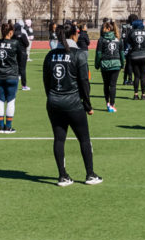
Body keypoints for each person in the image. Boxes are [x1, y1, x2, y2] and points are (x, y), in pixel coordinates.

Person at [43, 22, 101, 186]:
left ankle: (62, 176)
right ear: (75, 34)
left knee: (59, 139)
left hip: (54, 102)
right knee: (84, 139)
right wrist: (88, 105)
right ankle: (90, 174)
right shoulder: (79, 54)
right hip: (73, 103)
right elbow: (84, 82)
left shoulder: (50, 55)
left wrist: (52, 98)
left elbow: (46, 82)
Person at [0, 22, 22, 132]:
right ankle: (8, 127)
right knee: (10, 101)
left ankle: (1, 127)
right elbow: (20, 58)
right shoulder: (15, 43)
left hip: (0, 75)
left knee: (1, 100)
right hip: (12, 75)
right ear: (11, 32)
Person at [94, 20, 124, 112]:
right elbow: (121, 54)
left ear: (106, 29)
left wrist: (97, 64)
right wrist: (122, 64)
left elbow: (99, 54)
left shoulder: (101, 40)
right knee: (113, 85)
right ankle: (112, 104)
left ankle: (107, 103)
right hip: (116, 64)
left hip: (105, 64)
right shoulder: (118, 39)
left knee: (106, 85)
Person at [124, 18, 145, 100]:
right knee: (143, 76)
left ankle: (135, 94)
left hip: (134, 56)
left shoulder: (131, 33)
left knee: (136, 76)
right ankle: (143, 95)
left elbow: (127, 43)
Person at [14, 19, 31, 90]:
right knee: (23, 69)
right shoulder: (23, 35)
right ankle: (24, 86)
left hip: (15, 53)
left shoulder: (13, 35)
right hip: (23, 53)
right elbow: (27, 43)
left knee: (16, 68)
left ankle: (14, 85)